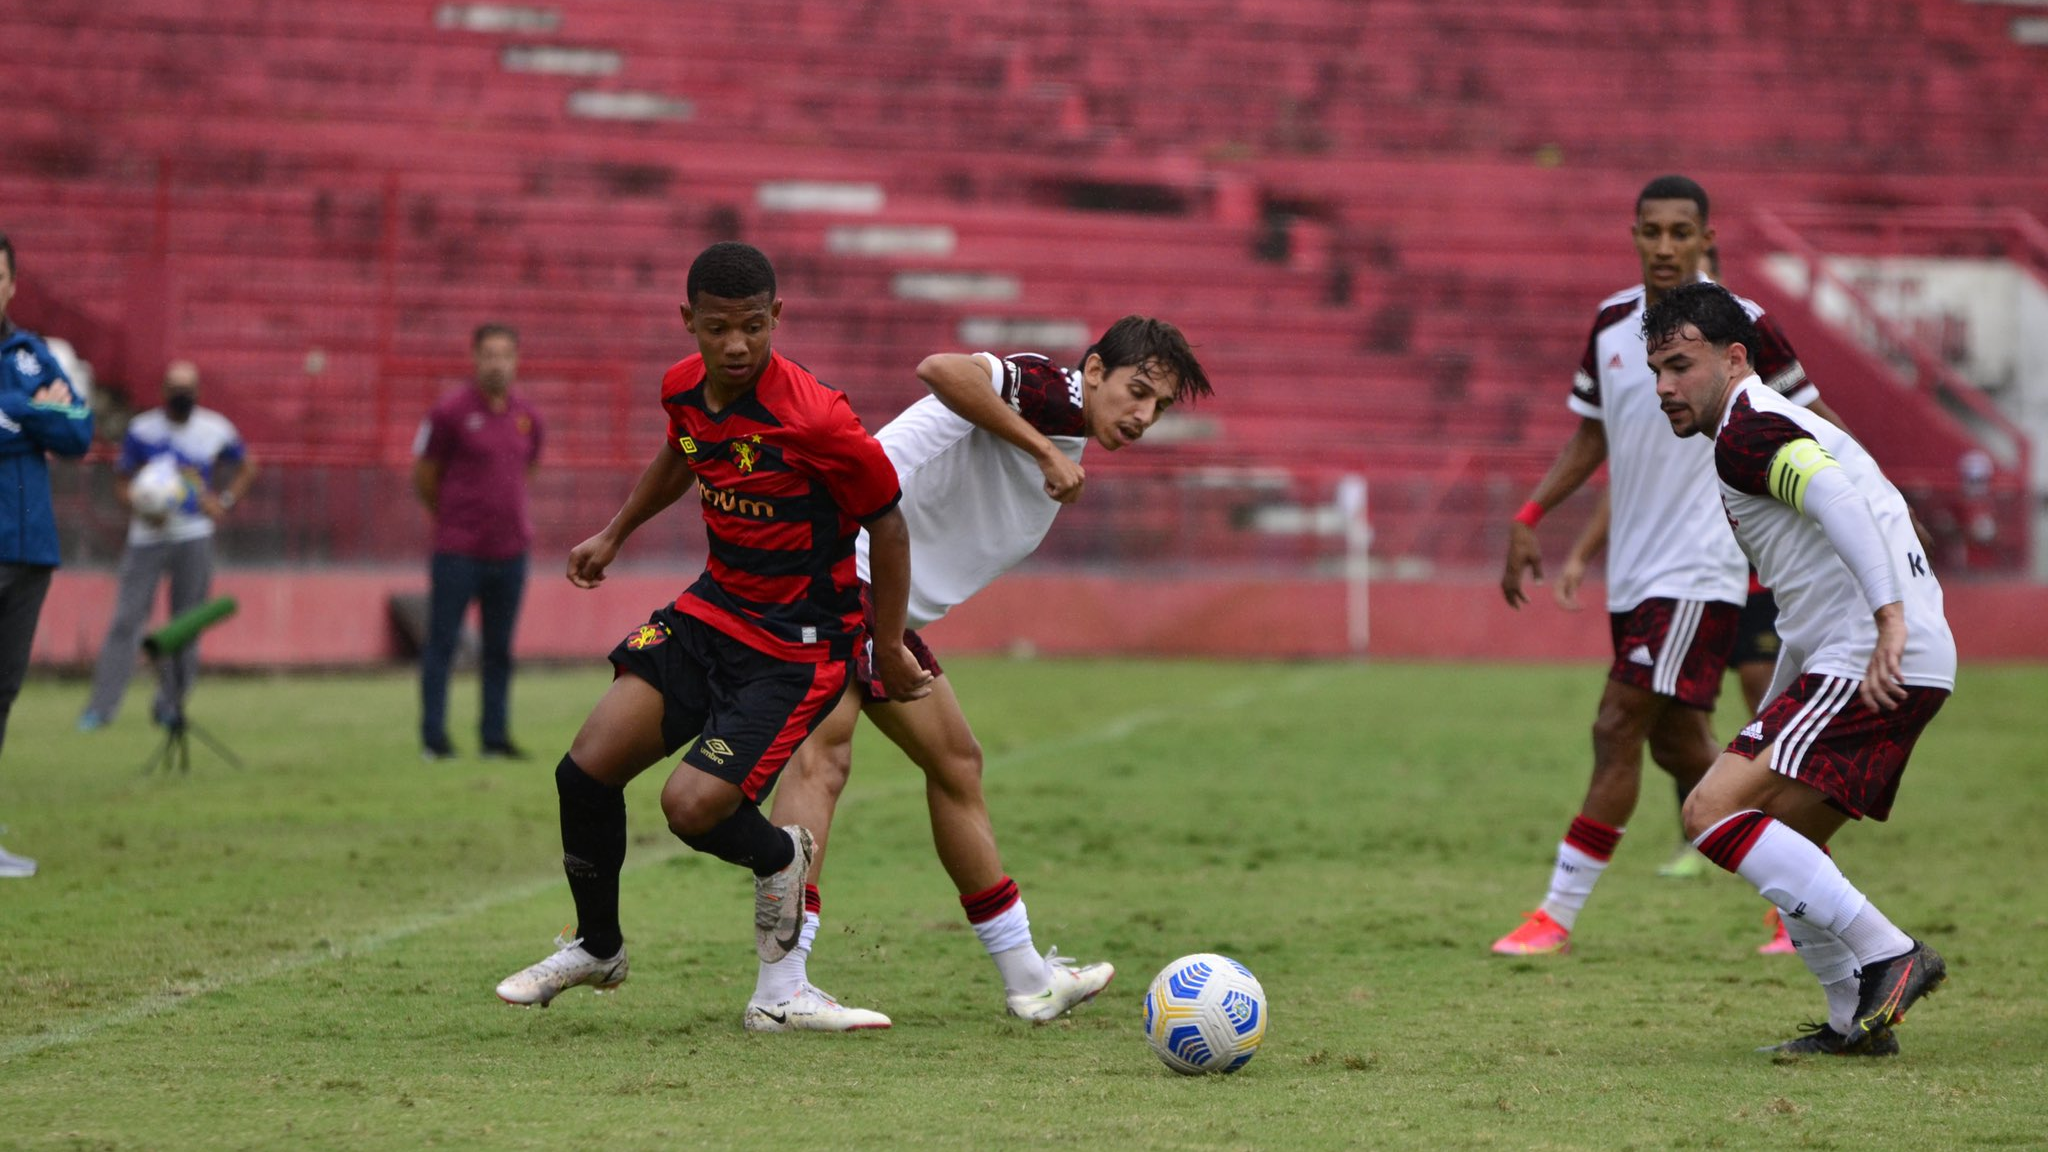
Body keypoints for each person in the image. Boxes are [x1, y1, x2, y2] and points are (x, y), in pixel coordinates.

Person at [493, 242, 933, 1017]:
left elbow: (889, 526)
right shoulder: (684, 393)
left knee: (691, 808)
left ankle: (778, 858)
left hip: (792, 646)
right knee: (583, 771)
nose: (737, 345)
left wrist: (888, 644)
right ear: (689, 320)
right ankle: (598, 949)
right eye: (720, 328)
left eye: (754, 327)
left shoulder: (818, 419)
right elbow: (686, 454)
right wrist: (615, 532)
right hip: (710, 612)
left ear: (778, 318)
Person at [752, 317, 1213, 1031]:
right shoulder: (1055, 396)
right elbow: (942, 367)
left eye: (1159, 406)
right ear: (1094, 372)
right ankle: (779, 987)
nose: (1144, 416)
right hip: (841, 566)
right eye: (1137, 391)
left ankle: (1027, 977)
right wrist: (1043, 455)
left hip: (873, 592)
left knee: (955, 762)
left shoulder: (1066, 418)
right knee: (822, 762)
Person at [1494, 175, 1845, 956]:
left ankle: (1554, 916)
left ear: (1706, 239)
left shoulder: (1744, 324)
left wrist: (1871, 506)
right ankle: (1809, 895)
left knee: (1615, 724)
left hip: (1701, 568)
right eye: (1650, 231)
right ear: (1634, 235)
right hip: (1636, 573)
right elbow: (1593, 436)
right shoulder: (1613, 323)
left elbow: (1814, 417)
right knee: (1681, 749)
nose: (1663, 246)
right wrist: (1531, 516)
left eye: (1680, 232)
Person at [1646, 281, 1954, 1056]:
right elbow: (1809, 588)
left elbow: (1839, 502)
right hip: (1891, 654)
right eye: (1656, 371)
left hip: (1874, 651)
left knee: (1706, 814)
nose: (1664, 388)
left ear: (1736, 357)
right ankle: (1854, 1024)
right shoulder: (1763, 429)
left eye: (1681, 366)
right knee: (1781, 837)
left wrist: (1886, 619)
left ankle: (1890, 953)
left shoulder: (1749, 430)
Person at [78, 361, 256, 732]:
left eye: (188, 388)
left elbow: (247, 465)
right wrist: (141, 507)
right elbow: (122, 483)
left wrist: (222, 502)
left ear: (199, 392)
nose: (182, 395)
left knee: (185, 624)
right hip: (147, 538)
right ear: (161, 392)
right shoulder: (143, 430)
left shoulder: (214, 429)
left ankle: (171, 704)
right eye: (175, 387)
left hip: (193, 535)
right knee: (126, 621)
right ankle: (101, 707)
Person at [0, 231, 94, 877]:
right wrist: (32, 418)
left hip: (29, 549)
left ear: (9, 283)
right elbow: (48, 424)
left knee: (3, 692)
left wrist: (12, 410)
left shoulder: (30, 355)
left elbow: (79, 431)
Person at [412, 324, 543, 761]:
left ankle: (495, 736)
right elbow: (425, 476)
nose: (497, 363)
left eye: (506, 354)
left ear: (517, 359)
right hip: (458, 551)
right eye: (489, 354)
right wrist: (453, 517)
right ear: (474, 357)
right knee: (442, 644)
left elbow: (527, 471)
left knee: (499, 649)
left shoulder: (528, 416)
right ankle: (435, 739)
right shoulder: (449, 412)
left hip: (510, 551)